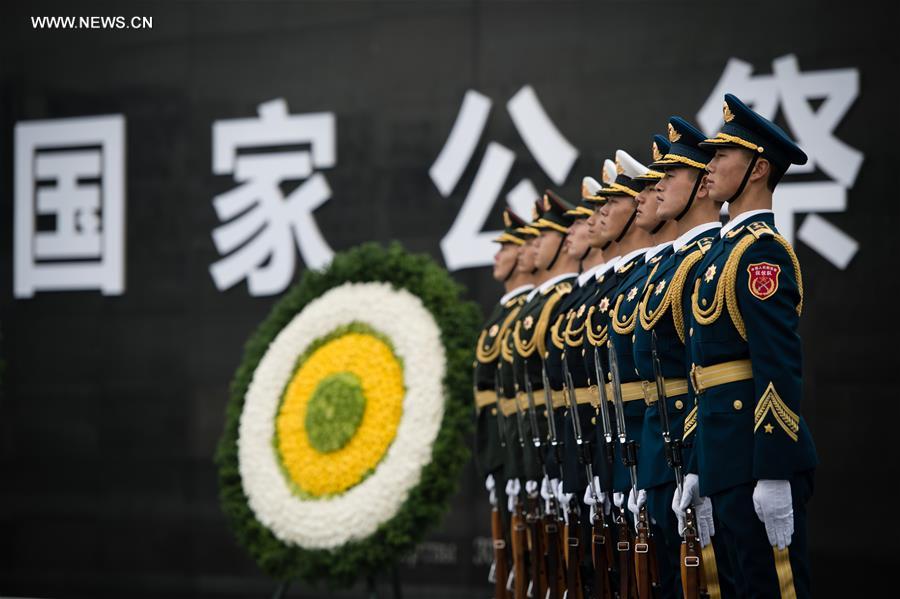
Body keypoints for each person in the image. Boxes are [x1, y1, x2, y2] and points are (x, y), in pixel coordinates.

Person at [678, 93, 818, 598]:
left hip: (754, 457)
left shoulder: (760, 255)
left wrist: (774, 471)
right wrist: (697, 464)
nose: (708, 167)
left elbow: (778, 365)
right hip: (722, 456)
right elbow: (702, 370)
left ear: (758, 168)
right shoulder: (722, 252)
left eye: (720, 157)